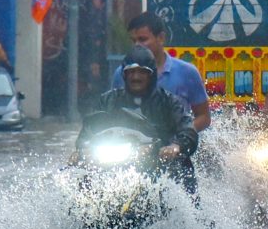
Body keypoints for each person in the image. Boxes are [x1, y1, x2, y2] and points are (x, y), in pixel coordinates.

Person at [75, 45, 199, 193]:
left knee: (181, 171)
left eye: (142, 72)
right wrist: (82, 149)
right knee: (84, 177)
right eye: (131, 72)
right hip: (114, 161)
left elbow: (188, 130)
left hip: (159, 163)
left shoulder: (169, 102)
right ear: (124, 75)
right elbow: (89, 129)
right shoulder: (108, 100)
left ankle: (189, 211)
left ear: (151, 75)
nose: (136, 77)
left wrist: (175, 146)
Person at [111, 11, 211, 132]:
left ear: (161, 38)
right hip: (134, 146)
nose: (137, 45)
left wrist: (181, 135)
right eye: (134, 41)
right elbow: (113, 114)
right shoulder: (122, 74)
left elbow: (204, 117)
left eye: (142, 39)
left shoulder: (187, 72)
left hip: (175, 148)